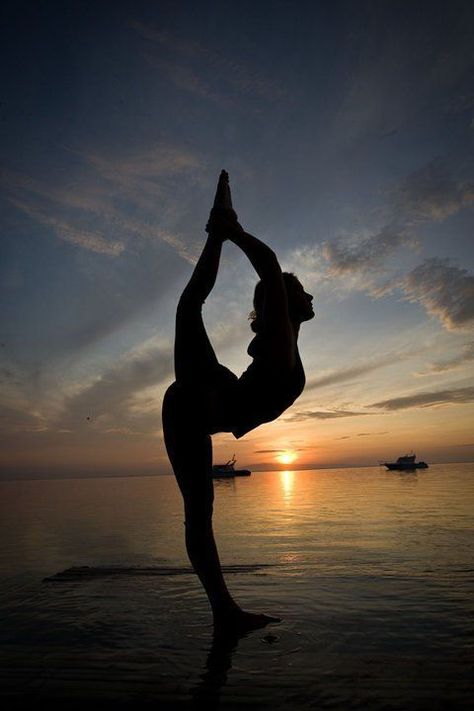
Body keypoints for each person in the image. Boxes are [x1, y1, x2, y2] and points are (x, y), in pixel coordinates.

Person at [162, 171, 314, 634]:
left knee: (199, 515)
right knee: (188, 307)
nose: (309, 293)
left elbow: (271, 276)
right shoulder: (279, 339)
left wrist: (227, 228)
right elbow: (269, 267)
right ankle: (225, 613)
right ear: (282, 305)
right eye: (299, 289)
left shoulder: (283, 344)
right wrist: (232, 231)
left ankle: (224, 613)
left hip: (205, 404)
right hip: (201, 403)